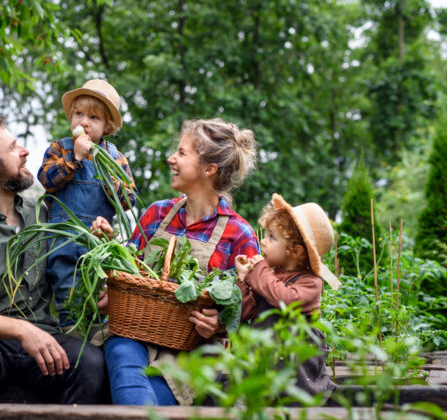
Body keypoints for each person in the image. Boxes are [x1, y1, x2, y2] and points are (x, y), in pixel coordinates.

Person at [0, 110, 107, 404]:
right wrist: (22, 330)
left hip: (43, 346)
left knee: (91, 362)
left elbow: (70, 267)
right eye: (14, 148)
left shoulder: (43, 214)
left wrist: (97, 248)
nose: (25, 151)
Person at [92, 118, 261, 406]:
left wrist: (220, 323)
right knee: (123, 355)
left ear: (208, 169)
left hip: (194, 350)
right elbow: (127, 272)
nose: (171, 158)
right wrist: (109, 252)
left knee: (144, 398)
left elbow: (250, 310)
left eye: (182, 153)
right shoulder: (157, 214)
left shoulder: (239, 233)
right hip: (136, 332)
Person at [38, 79, 136, 327]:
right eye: (79, 114)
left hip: (98, 240)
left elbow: (129, 200)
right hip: (63, 239)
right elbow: (46, 179)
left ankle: (95, 335)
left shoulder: (116, 158)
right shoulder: (60, 148)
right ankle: (71, 332)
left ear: (107, 126)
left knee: (98, 294)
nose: (84, 122)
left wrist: (116, 187)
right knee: (68, 295)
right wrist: (76, 157)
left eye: (94, 118)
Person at [235, 193, 341, 396]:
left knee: (293, 401)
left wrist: (259, 272)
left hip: (296, 369)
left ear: (296, 251)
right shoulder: (269, 277)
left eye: (271, 237)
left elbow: (286, 300)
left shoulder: (311, 282)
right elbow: (246, 311)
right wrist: (243, 279)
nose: (263, 242)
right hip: (264, 360)